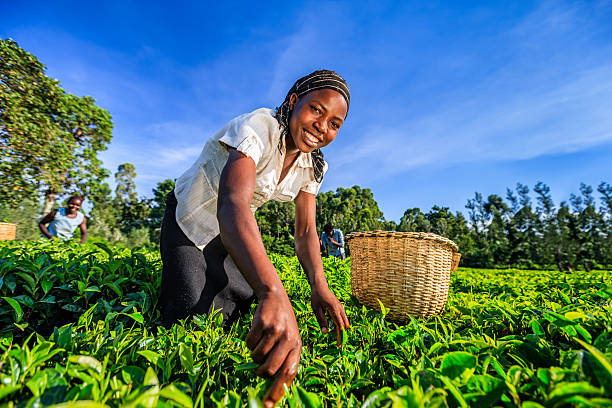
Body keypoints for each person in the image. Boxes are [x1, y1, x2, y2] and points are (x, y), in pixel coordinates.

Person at [160, 70, 350, 407]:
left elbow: (306, 231)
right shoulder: (260, 127)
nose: (323, 126)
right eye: (316, 110)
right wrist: (273, 290)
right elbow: (232, 202)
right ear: (293, 102)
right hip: (189, 220)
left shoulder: (313, 165)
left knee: (240, 303)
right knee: (191, 317)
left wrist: (319, 286)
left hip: (228, 231)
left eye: (335, 123)